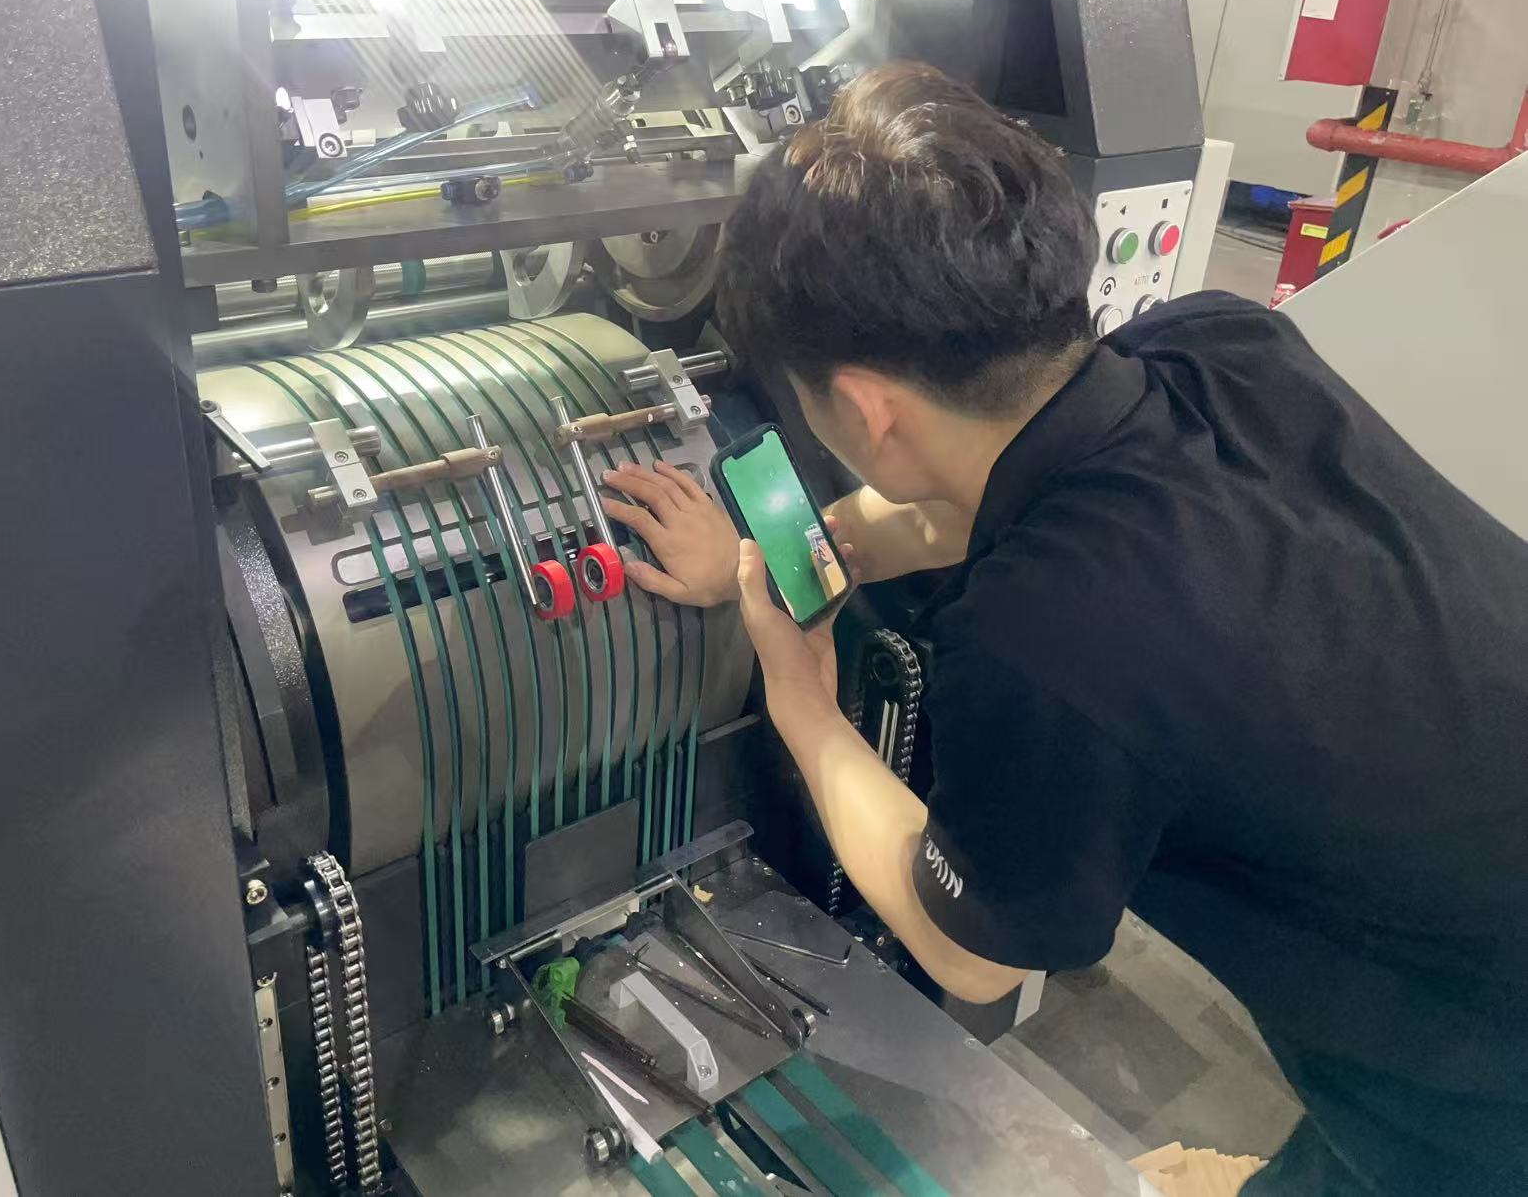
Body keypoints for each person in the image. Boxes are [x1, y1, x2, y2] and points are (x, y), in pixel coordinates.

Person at [597, 62, 1528, 1195]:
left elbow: (970, 952)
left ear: (865, 407)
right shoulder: (1216, 343)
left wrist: (804, 703)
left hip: (1482, 1093)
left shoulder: (1041, 642)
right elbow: (969, 495)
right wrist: (782, 557)